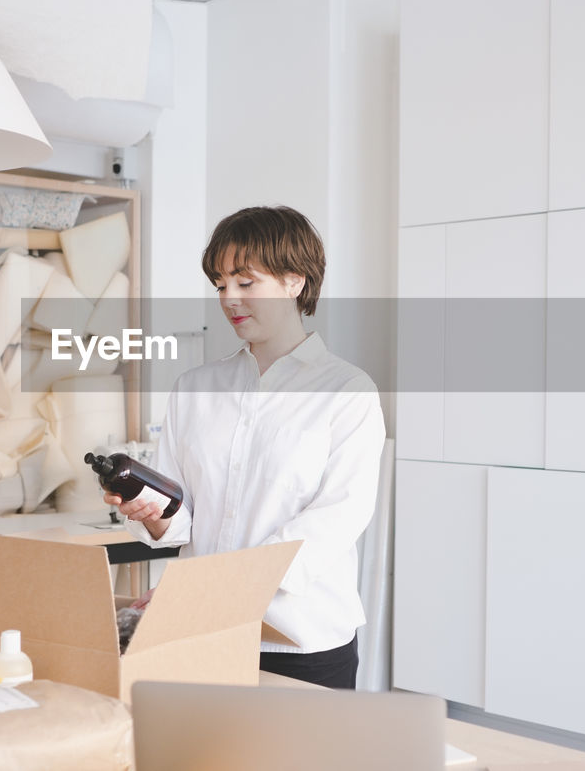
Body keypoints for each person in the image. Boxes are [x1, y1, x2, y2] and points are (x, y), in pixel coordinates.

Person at [104, 205, 386, 689]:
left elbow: (333, 523)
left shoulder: (347, 391)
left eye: (245, 281)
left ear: (295, 282)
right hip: (200, 631)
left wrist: (214, 592)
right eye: (220, 284)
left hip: (300, 640)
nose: (229, 297)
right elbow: (184, 519)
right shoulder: (195, 388)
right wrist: (152, 511)